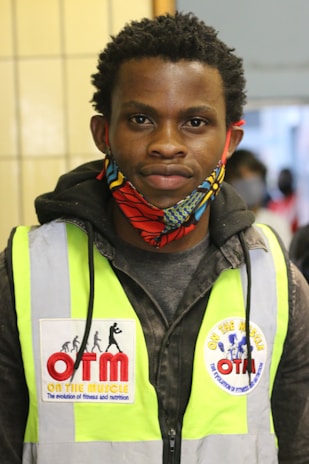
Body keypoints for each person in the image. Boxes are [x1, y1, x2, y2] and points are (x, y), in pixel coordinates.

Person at [0, 12, 309, 464]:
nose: (167, 144)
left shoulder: (276, 280)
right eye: (141, 119)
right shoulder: (24, 272)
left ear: (230, 140)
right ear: (104, 133)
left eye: (196, 123)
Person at [225, 148, 293, 248]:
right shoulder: (222, 226)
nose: (249, 187)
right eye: (240, 178)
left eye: (254, 180)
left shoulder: (277, 222)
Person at [269, 167, 299, 233]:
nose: (282, 181)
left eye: (285, 178)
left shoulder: (298, 201)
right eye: (281, 178)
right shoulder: (274, 204)